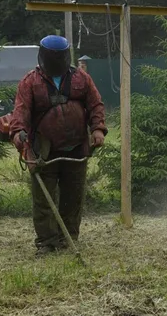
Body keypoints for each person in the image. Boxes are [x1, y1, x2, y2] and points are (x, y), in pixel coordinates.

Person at [9, 35, 108, 255]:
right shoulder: (30, 82)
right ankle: (47, 242)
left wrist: (98, 128)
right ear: (44, 57)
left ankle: (68, 238)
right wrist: (18, 133)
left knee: (72, 198)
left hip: (76, 148)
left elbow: (95, 104)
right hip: (43, 150)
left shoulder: (81, 79)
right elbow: (21, 111)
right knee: (44, 199)